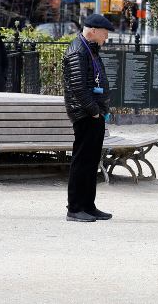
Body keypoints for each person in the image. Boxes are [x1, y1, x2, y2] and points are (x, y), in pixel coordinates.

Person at [62, 13, 114, 222]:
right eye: (104, 33)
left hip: (94, 113)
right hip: (85, 113)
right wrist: (93, 110)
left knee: (92, 161)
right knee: (82, 160)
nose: (106, 38)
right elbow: (78, 87)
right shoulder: (77, 51)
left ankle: (88, 205)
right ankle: (75, 208)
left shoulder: (90, 49)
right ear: (92, 30)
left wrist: (100, 110)